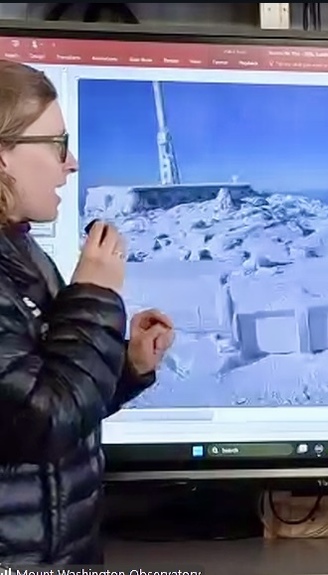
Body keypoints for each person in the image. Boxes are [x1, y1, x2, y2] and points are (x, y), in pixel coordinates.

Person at [0, 60, 175, 564]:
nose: (71, 162)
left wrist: (127, 366)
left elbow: (48, 394)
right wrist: (95, 297)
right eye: (56, 143)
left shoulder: (21, 252)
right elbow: (43, 422)